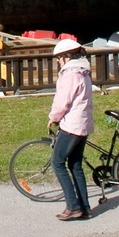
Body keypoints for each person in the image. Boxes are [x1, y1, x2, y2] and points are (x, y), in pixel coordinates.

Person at [47, 37, 94, 221]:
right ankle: (85, 208)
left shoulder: (70, 74)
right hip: (83, 123)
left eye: (59, 58)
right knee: (75, 165)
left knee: (57, 163)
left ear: (66, 57)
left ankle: (73, 207)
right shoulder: (83, 71)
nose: (58, 61)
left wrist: (53, 118)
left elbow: (62, 101)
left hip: (72, 125)